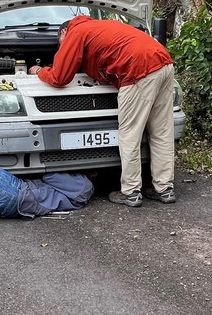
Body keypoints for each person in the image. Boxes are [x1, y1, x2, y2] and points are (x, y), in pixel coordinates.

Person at [29, 16, 175, 208]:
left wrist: (39, 71)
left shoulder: (75, 31)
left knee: (130, 134)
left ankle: (131, 192)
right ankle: (164, 189)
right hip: (164, 62)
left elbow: (59, 77)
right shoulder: (100, 26)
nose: (62, 49)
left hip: (138, 69)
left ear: (64, 32)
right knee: (161, 131)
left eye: (60, 45)